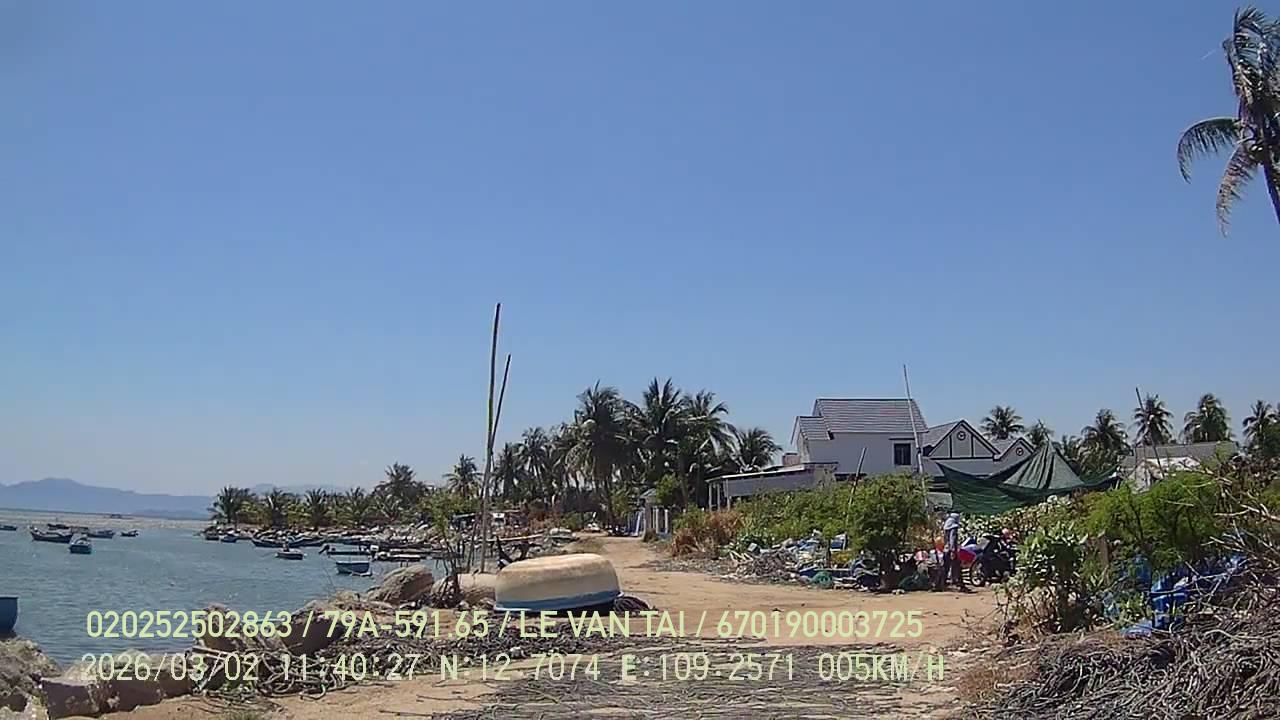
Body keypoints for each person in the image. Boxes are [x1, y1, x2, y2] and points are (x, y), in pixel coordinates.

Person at [935, 511, 967, 591]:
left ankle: (939, 585)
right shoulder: (953, 528)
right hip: (951, 550)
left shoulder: (946, 528)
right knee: (957, 568)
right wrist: (953, 551)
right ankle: (960, 585)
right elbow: (952, 539)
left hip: (946, 550)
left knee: (945, 568)